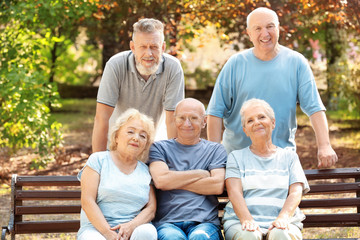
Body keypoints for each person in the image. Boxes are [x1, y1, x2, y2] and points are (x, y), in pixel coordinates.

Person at [206, 7, 337, 168]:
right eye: (258, 28)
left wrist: (324, 145)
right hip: (237, 158)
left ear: (278, 28)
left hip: (280, 159)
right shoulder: (235, 64)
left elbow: (315, 108)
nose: (265, 34)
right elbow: (215, 112)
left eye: (270, 26)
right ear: (249, 33)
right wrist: (214, 155)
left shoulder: (296, 62)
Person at [92, 18, 184, 152]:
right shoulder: (115, 65)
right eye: (143, 47)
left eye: (154, 47)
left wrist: (174, 161)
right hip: (116, 147)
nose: (149, 54)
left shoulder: (173, 68)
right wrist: (98, 162)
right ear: (133, 47)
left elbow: (172, 121)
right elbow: (101, 118)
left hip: (153, 147)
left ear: (163, 48)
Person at [223, 98, 309, 240]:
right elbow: (234, 192)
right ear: (245, 130)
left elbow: (296, 192)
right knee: (248, 236)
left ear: (273, 122)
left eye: (262, 117)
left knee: (281, 234)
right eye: (250, 120)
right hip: (240, 222)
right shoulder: (236, 157)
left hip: (283, 221)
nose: (256, 122)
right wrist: (247, 219)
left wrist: (283, 218)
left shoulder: (290, 157)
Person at [148, 98, 227, 240]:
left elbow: (216, 185)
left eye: (194, 118)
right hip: (167, 223)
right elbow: (161, 181)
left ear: (204, 121)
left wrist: (174, 179)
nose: (187, 123)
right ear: (174, 120)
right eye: (182, 118)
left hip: (205, 223)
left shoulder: (216, 150)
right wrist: (201, 174)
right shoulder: (159, 148)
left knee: (199, 237)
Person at [77, 108, 157, 240]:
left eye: (142, 136)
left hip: (132, 229)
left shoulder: (146, 171)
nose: (136, 138)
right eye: (130, 131)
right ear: (116, 136)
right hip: (96, 229)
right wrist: (109, 233)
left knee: (147, 232)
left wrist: (131, 226)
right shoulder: (98, 160)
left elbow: (151, 208)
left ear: (145, 145)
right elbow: (87, 201)